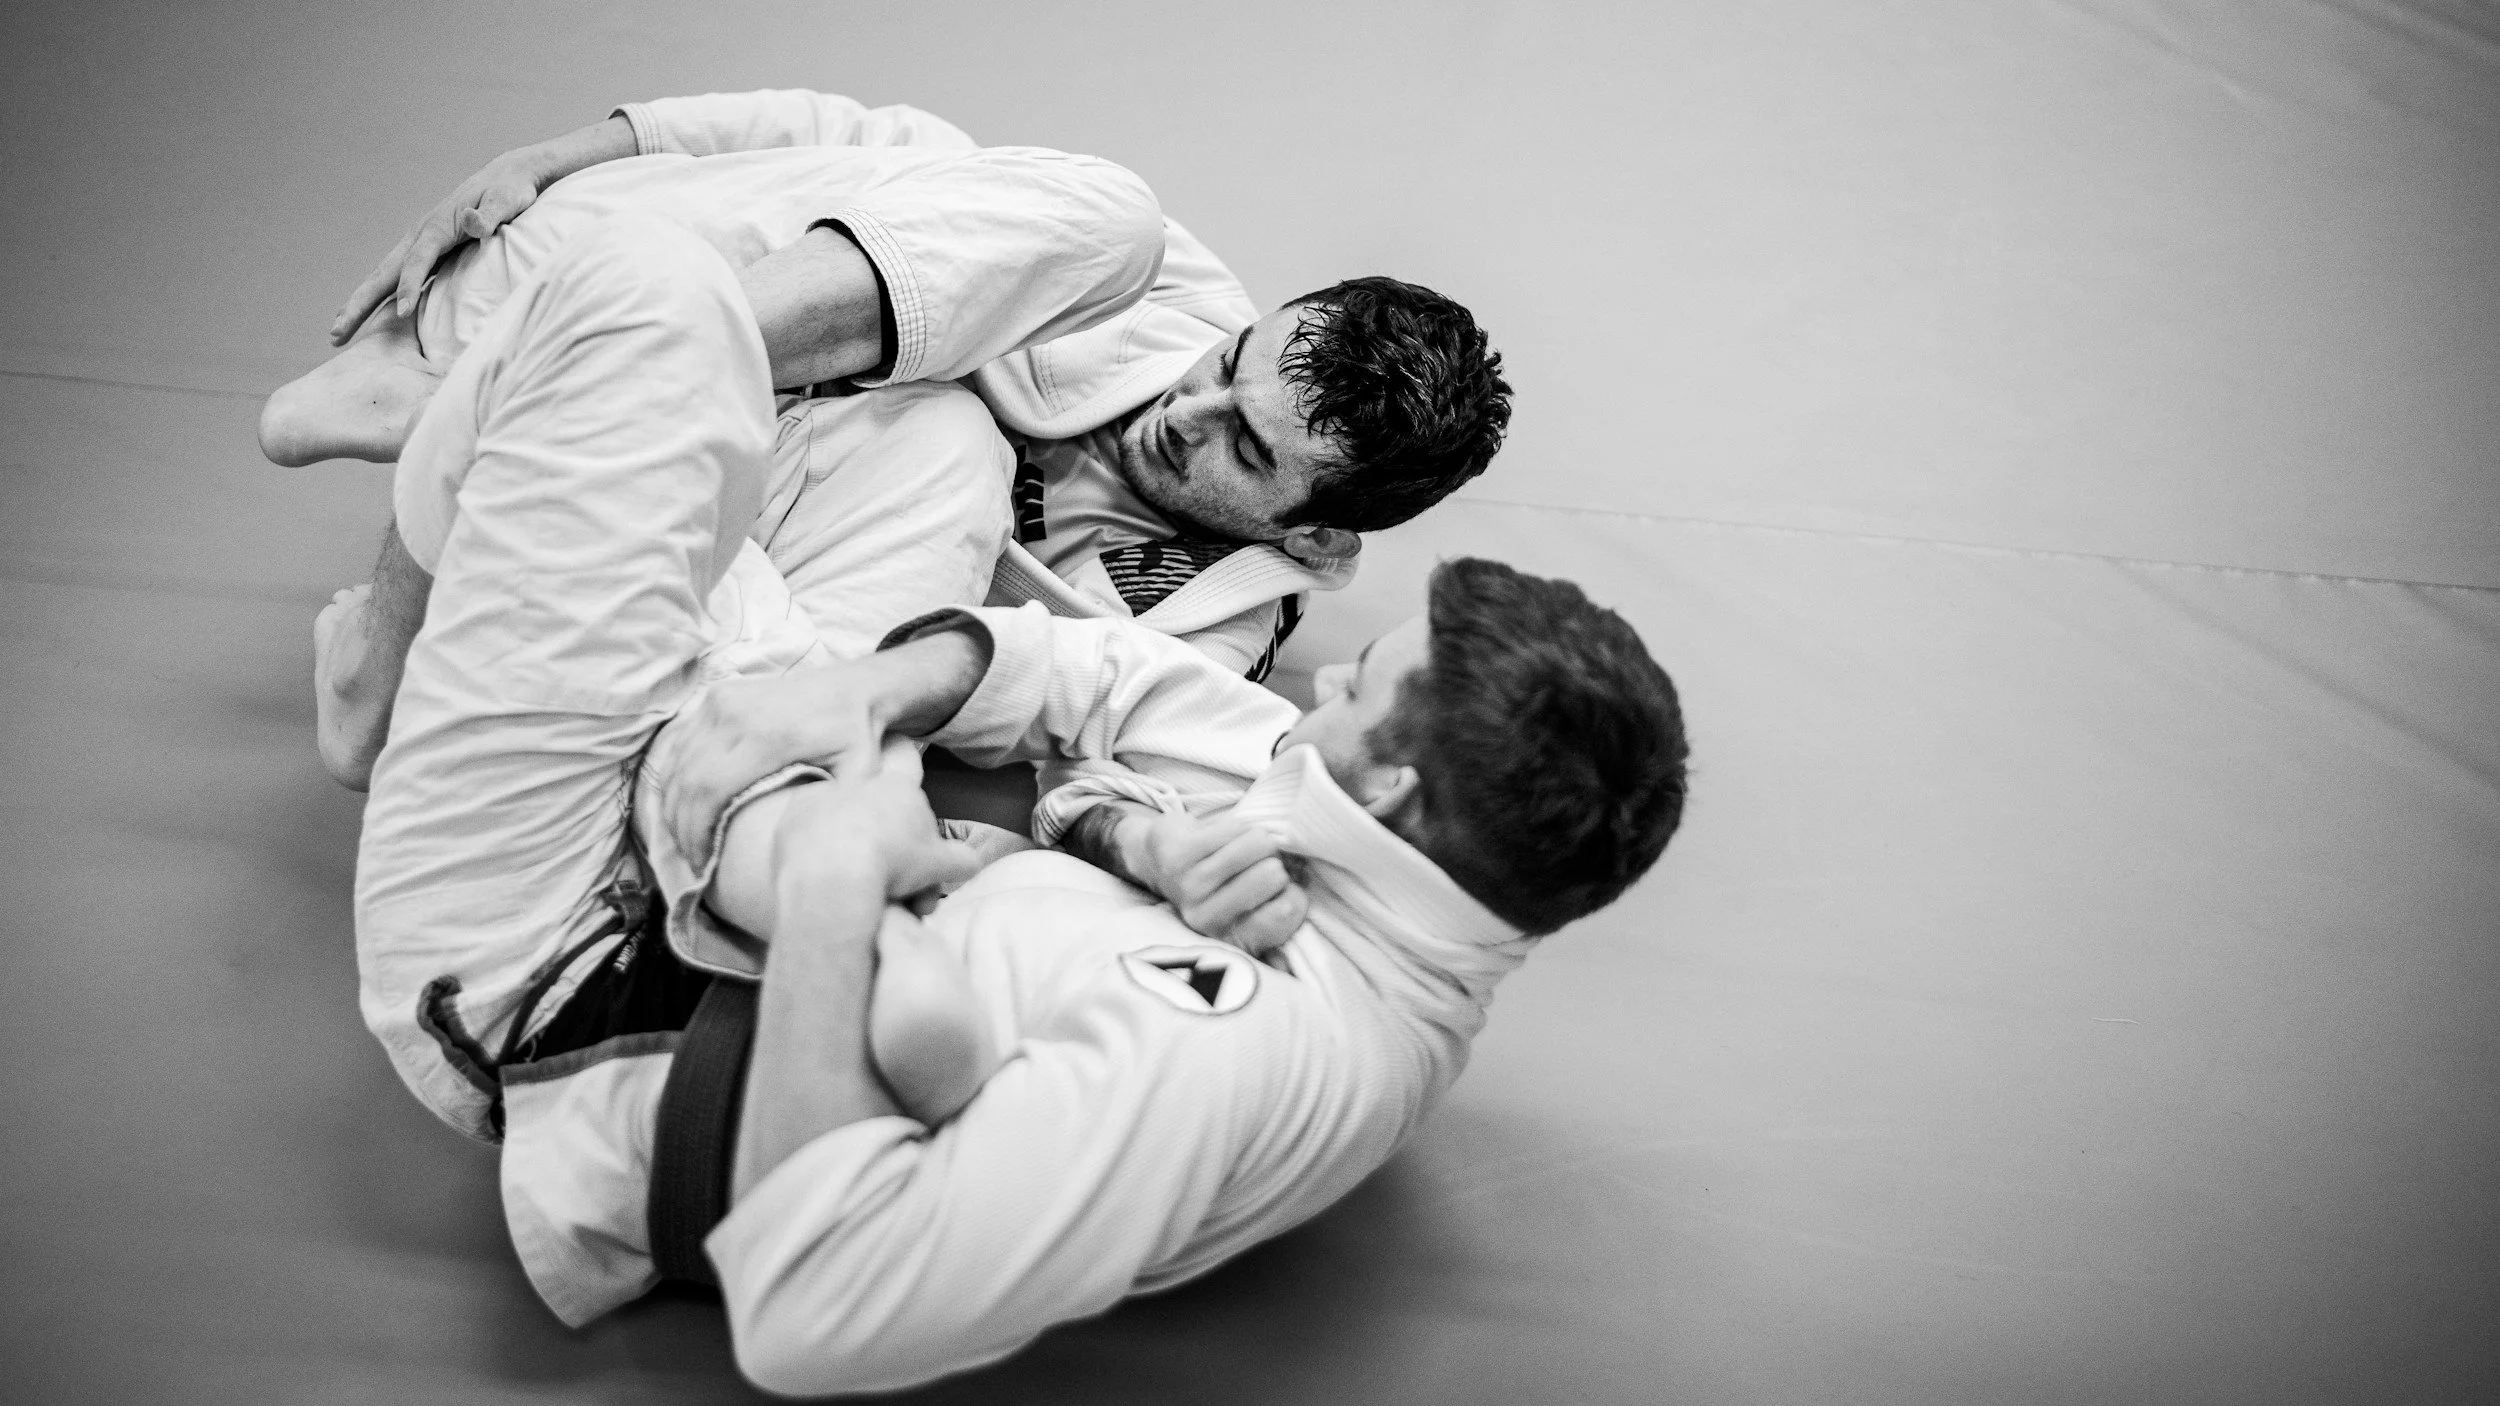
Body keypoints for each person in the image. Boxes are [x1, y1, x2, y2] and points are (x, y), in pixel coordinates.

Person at [356, 211, 1687, 1394]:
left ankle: (387, 626)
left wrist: (833, 886)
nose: (1325, 678)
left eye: (1360, 688)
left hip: (554, 966)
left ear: (1396, 779)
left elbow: (811, 1314)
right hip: (733, 826)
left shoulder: (1235, 1049)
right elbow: (1099, 676)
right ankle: (484, 445)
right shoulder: (1346, 830)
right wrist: (1097, 816)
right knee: (879, 423)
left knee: (641, 302)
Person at [266, 88, 1513, 788]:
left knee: (947, 461)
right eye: (1227, 368)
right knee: (1106, 215)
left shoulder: (1205, 626)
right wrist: (562, 151)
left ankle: (398, 647)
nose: (1184, 412)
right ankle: (525, 378)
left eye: (1244, 448)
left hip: (684, 508)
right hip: (634, 271)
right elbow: (874, 146)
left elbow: (1075, 742)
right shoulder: (1169, 288)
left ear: (1315, 534)